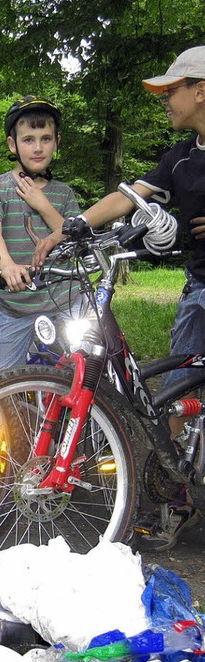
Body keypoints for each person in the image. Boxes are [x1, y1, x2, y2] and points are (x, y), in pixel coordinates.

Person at [72, 47, 205, 551]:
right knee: (174, 390)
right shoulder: (184, 155)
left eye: (172, 90)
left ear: (201, 90)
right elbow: (133, 194)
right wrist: (76, 225)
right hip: (199, 287)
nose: (166, 100)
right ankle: (176, 497)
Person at [0, 95, 81, 368]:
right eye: (28, 139)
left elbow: (77, 238)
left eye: (46, 138)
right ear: (13, 144)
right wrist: (6, 265)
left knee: (83, 379)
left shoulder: (64, 193)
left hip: (65, 304)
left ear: (57, 142)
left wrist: (43, 206)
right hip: (14, 308)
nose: (38, 147)